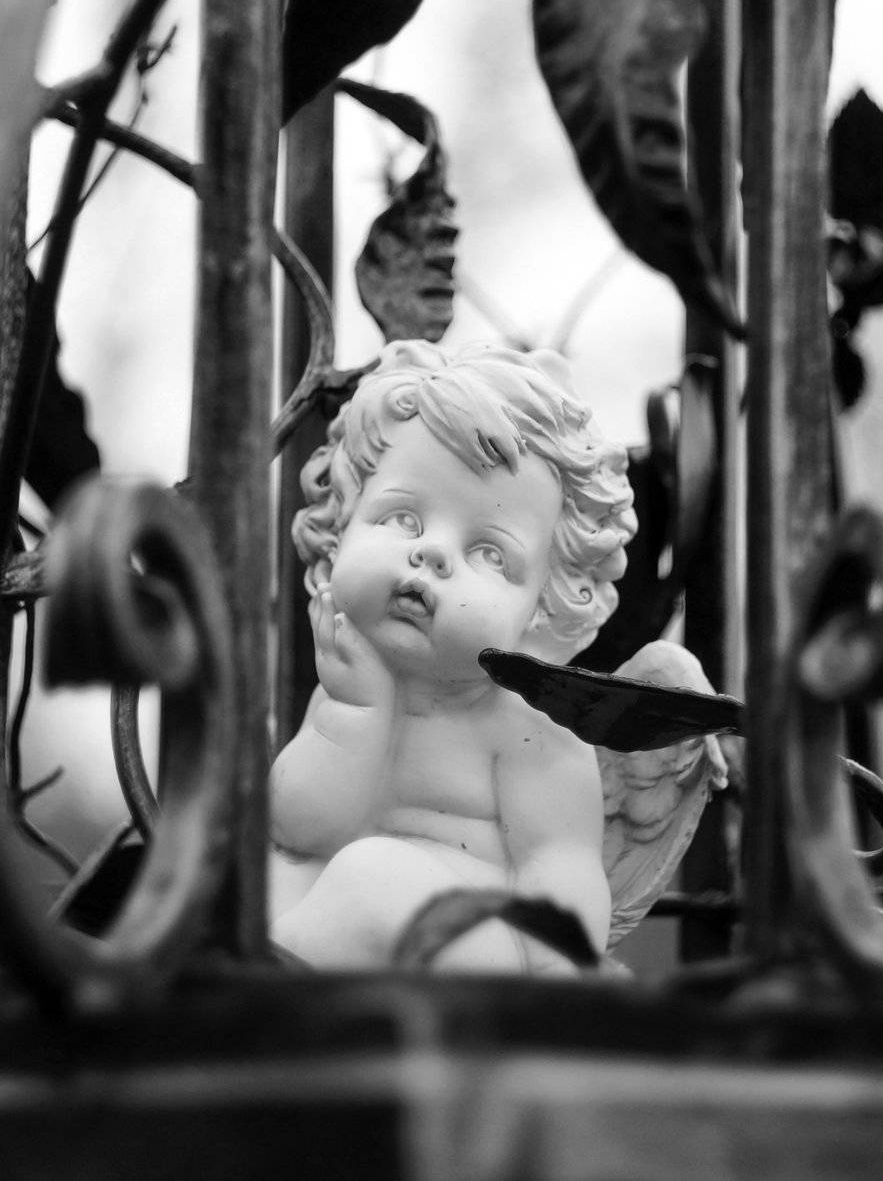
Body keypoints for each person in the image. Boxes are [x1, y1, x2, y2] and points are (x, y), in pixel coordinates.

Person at [268, 339, 637, 972]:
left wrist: (559, 981)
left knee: (369, 878)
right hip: (347, 936)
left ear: (543, 608)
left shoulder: (534, 728)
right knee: (266, 876)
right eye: (403, 520)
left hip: (469, 957)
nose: (431, 554)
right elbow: (301, 830)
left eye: (489, 554)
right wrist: (352, 714)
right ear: (340, 530)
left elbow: (560, 874)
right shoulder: (353, 675)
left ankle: (260, 996)